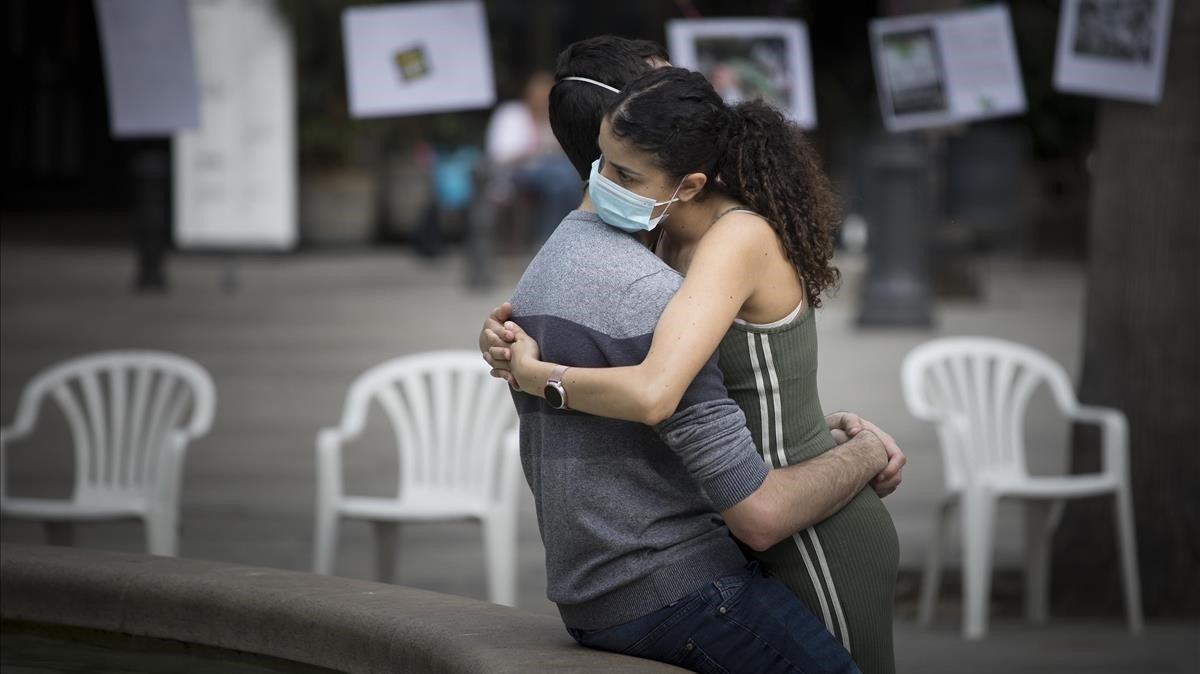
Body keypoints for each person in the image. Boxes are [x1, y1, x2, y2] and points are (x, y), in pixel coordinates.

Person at [477, 37, 904, 673]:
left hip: (810, 531)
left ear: (688, 181)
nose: (603, 185)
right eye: (603, 166)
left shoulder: (732, 238)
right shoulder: (653, 239)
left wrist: (538, 374)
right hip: (743, 526)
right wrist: (508, 337)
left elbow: (656, 389)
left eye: (623, 174)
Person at [484, 71, 581, 243]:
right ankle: (560, 237)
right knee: (564, 175)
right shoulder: (511, 114)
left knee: (559, 184)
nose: (543, 100)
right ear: (528, 95)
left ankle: (550, 239)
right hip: (513, 172)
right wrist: (536, 153)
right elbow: (500, 156)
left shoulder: (551, 118)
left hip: (548, 175)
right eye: (540, 95)